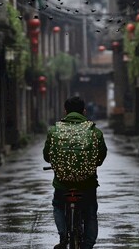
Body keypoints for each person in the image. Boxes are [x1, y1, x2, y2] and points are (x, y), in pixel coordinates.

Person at [43, 96, 107, 249]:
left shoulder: (54, 131)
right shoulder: (94, 132)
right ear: (84, 111)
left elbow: (47, 156)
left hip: (62, 183)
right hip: (87, 182)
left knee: (58, 205)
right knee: (90, 212)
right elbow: (101, 156)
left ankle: (63, 236)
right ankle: (88, 245)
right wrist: (91, 164)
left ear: (65, 111)